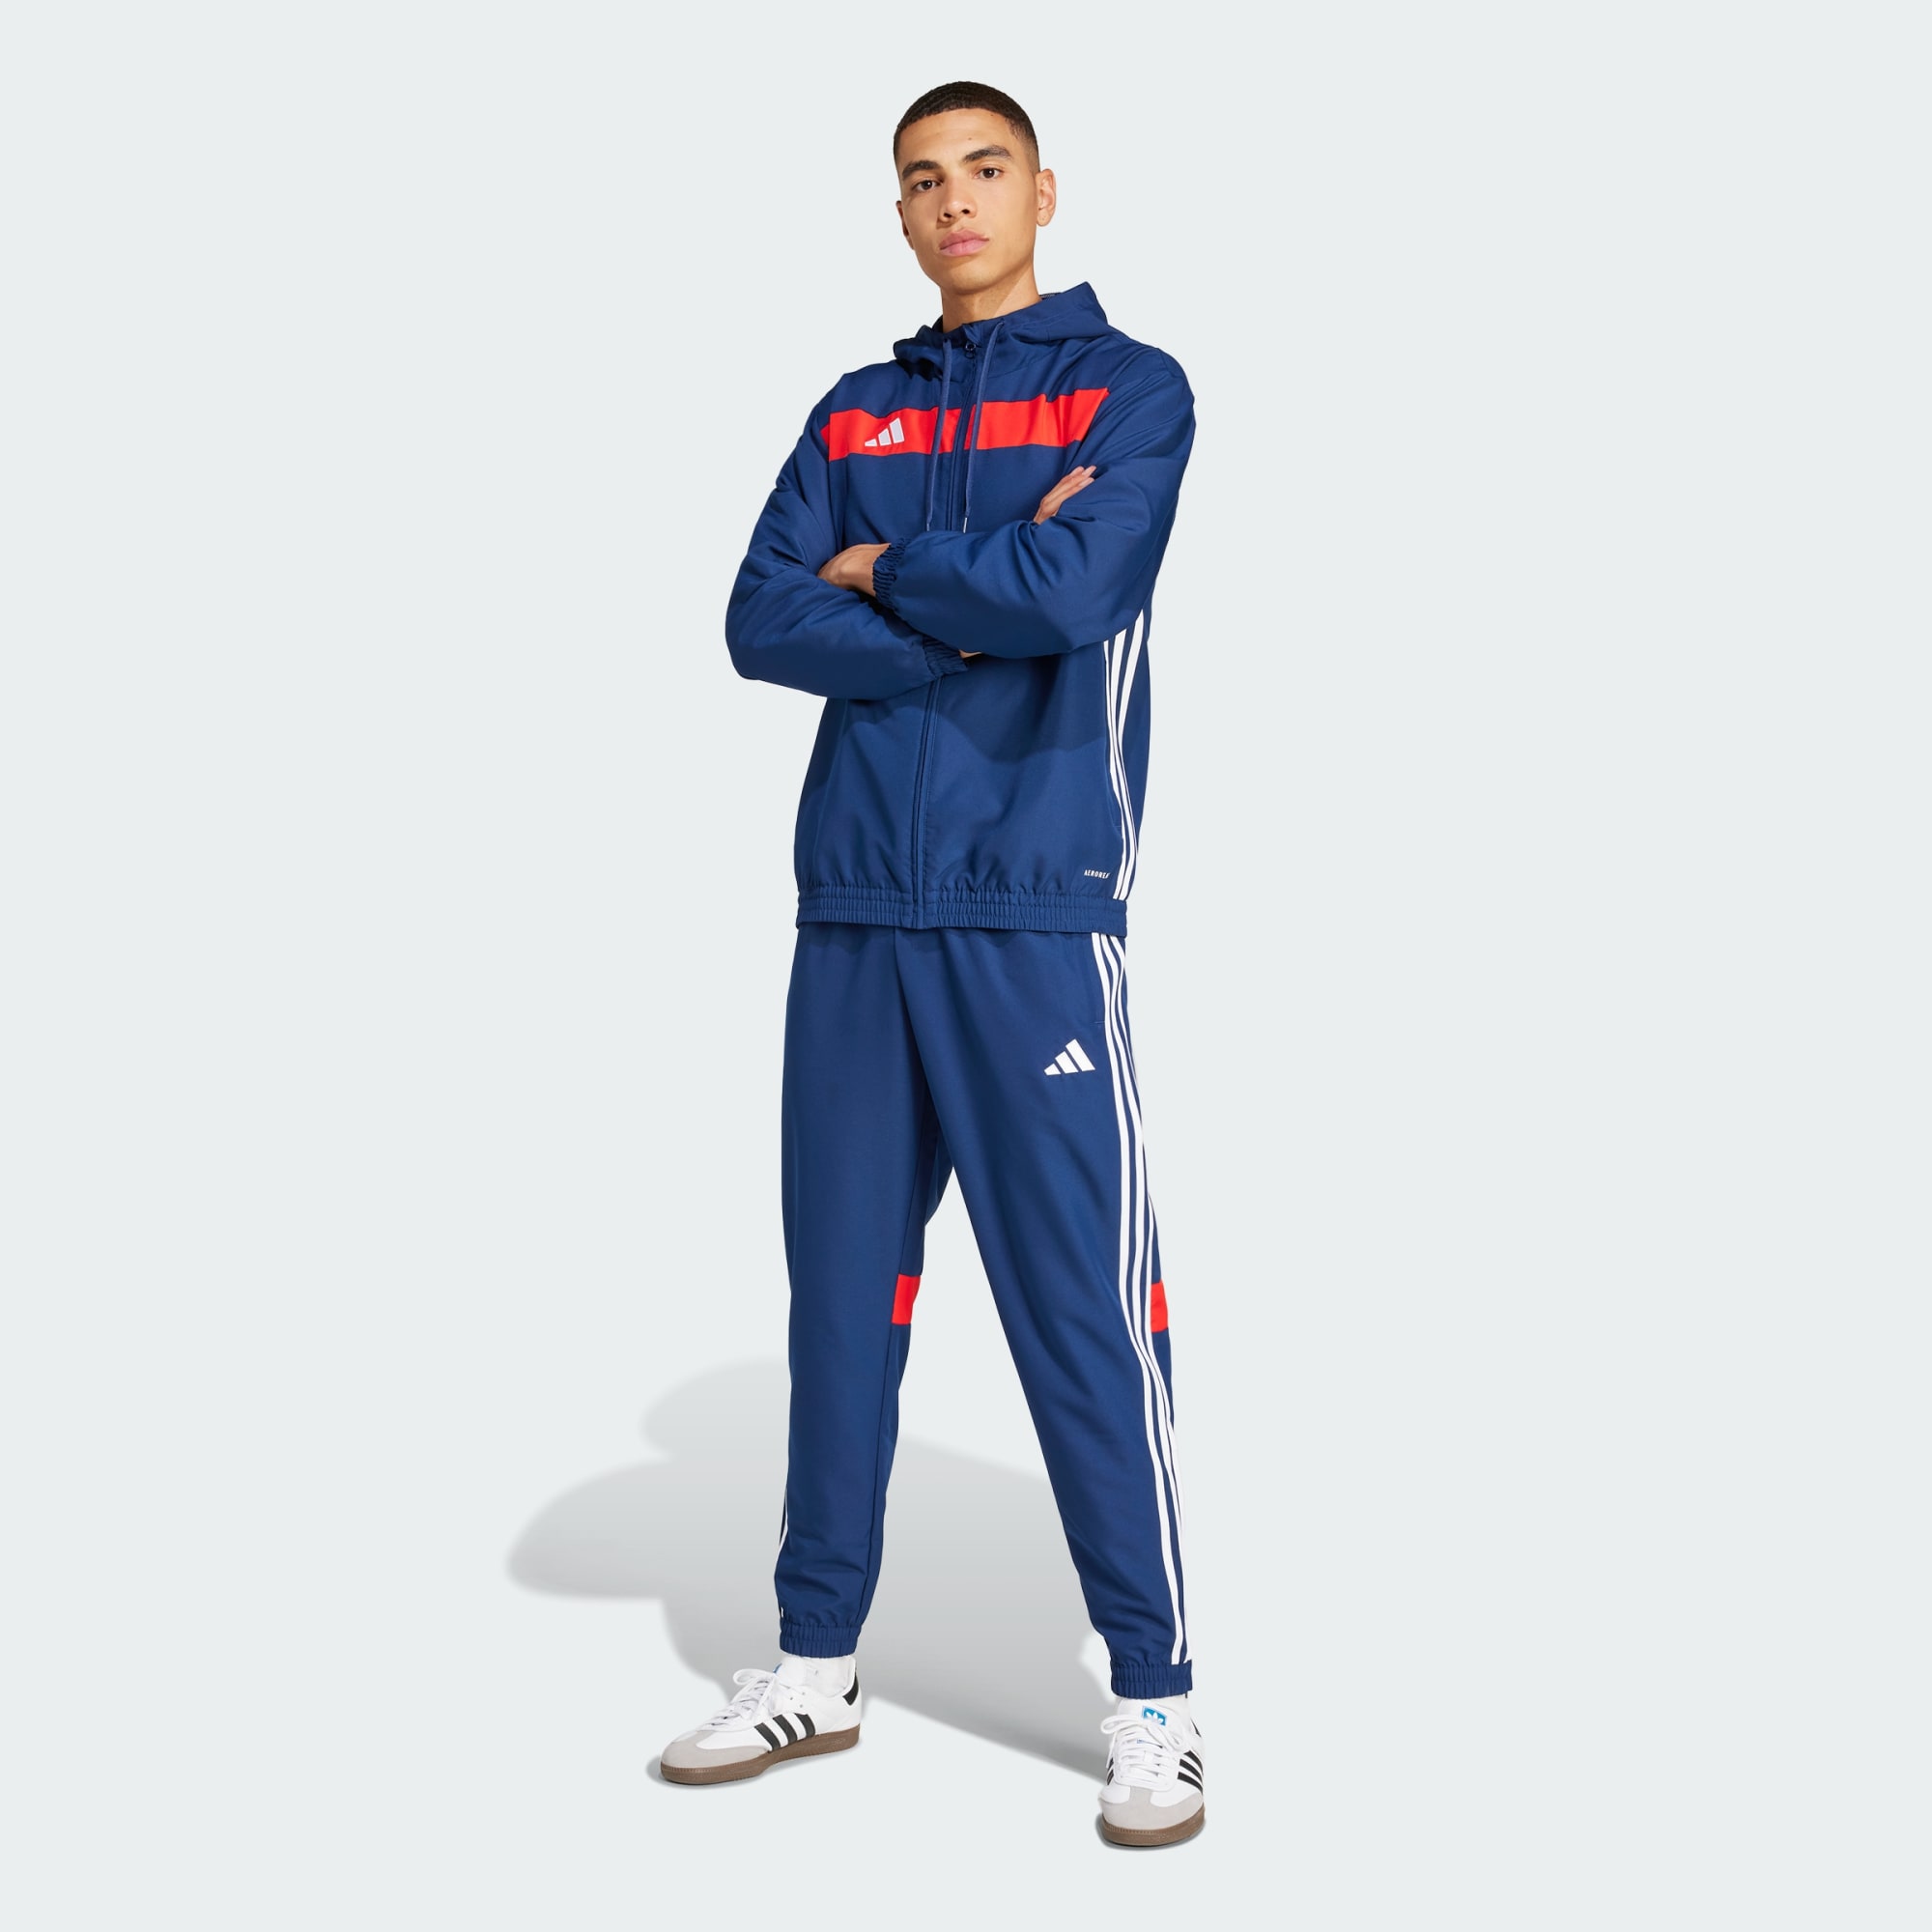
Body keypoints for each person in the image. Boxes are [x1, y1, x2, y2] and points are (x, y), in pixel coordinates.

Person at [658, 80, 1203, 1848]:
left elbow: (1078, 594)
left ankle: (1156, 1696)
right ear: (898, 215)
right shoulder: (856, 408)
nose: (953, 200)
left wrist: (888, 576)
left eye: (983, 169)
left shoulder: (1131, 390)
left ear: (1042, 191)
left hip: (1031, 914)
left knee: (1084, 1314)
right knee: (842, 1307)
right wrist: (973, 605)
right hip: (851, 919)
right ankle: (816, 1661)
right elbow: (761, 616)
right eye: (921, 180)